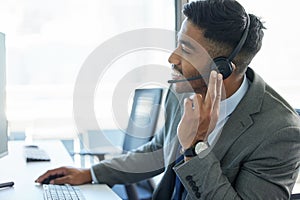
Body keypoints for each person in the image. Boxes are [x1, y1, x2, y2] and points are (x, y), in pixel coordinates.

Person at [36, 0, 300, 199]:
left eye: (186, 49)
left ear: (220, 69)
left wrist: (196, 147)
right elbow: (157, 152)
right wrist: (90, 173)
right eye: (178, 43)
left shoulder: (280, 132)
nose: (172, 57)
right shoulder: (184, 91)